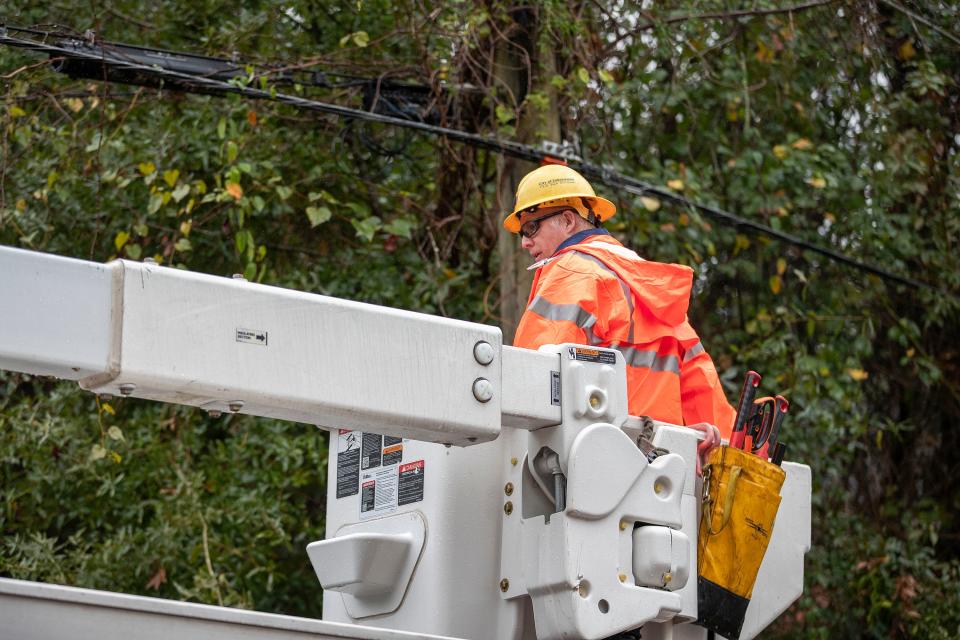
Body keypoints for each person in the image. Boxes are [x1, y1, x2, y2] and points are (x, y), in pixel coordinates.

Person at [503, 164, 736, 440]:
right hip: (659, 460)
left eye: (531, 228)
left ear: (567, 220)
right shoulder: (654, 284)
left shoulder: (571, 272)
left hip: (588, 455)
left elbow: (529, 381)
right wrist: (726, 444)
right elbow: (703, 388)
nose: (525, 243)